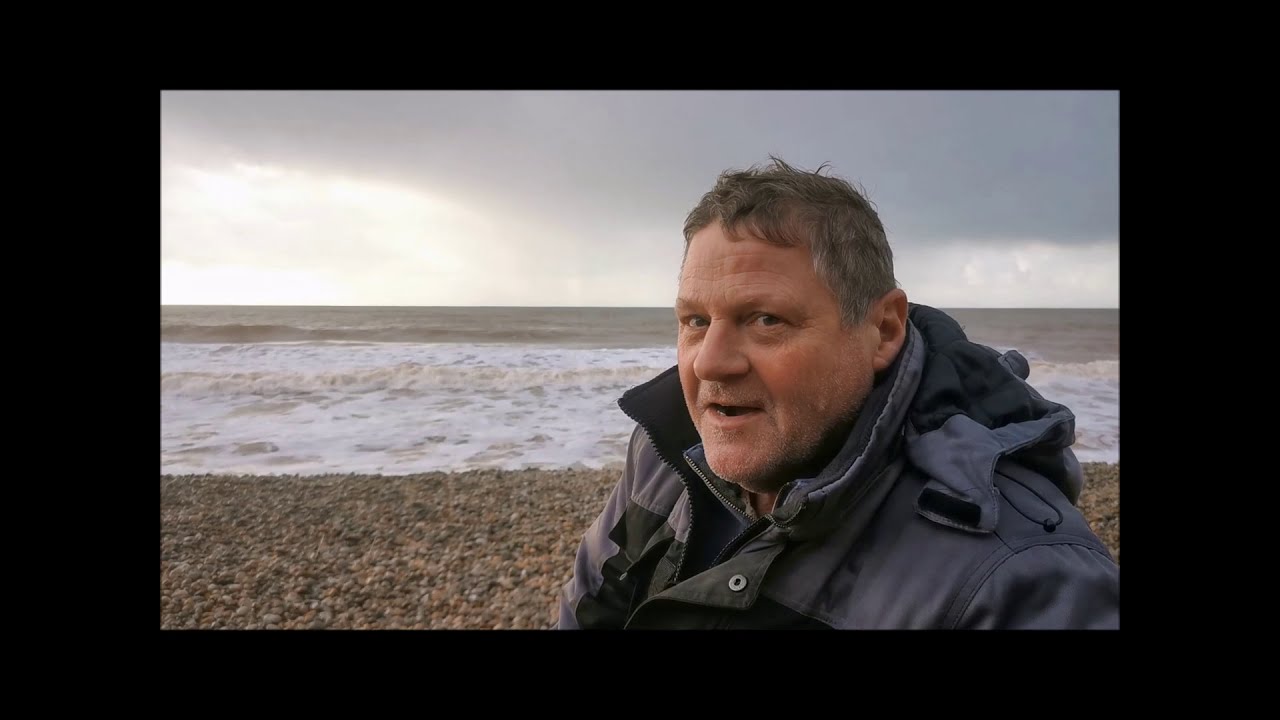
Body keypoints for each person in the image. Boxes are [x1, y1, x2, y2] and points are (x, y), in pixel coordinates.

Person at [555, 157, 1119, 629]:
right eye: (696, 320)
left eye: (766, 319)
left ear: (884, 330)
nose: (709, 362)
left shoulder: (1021, 582)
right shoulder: (664, 450)